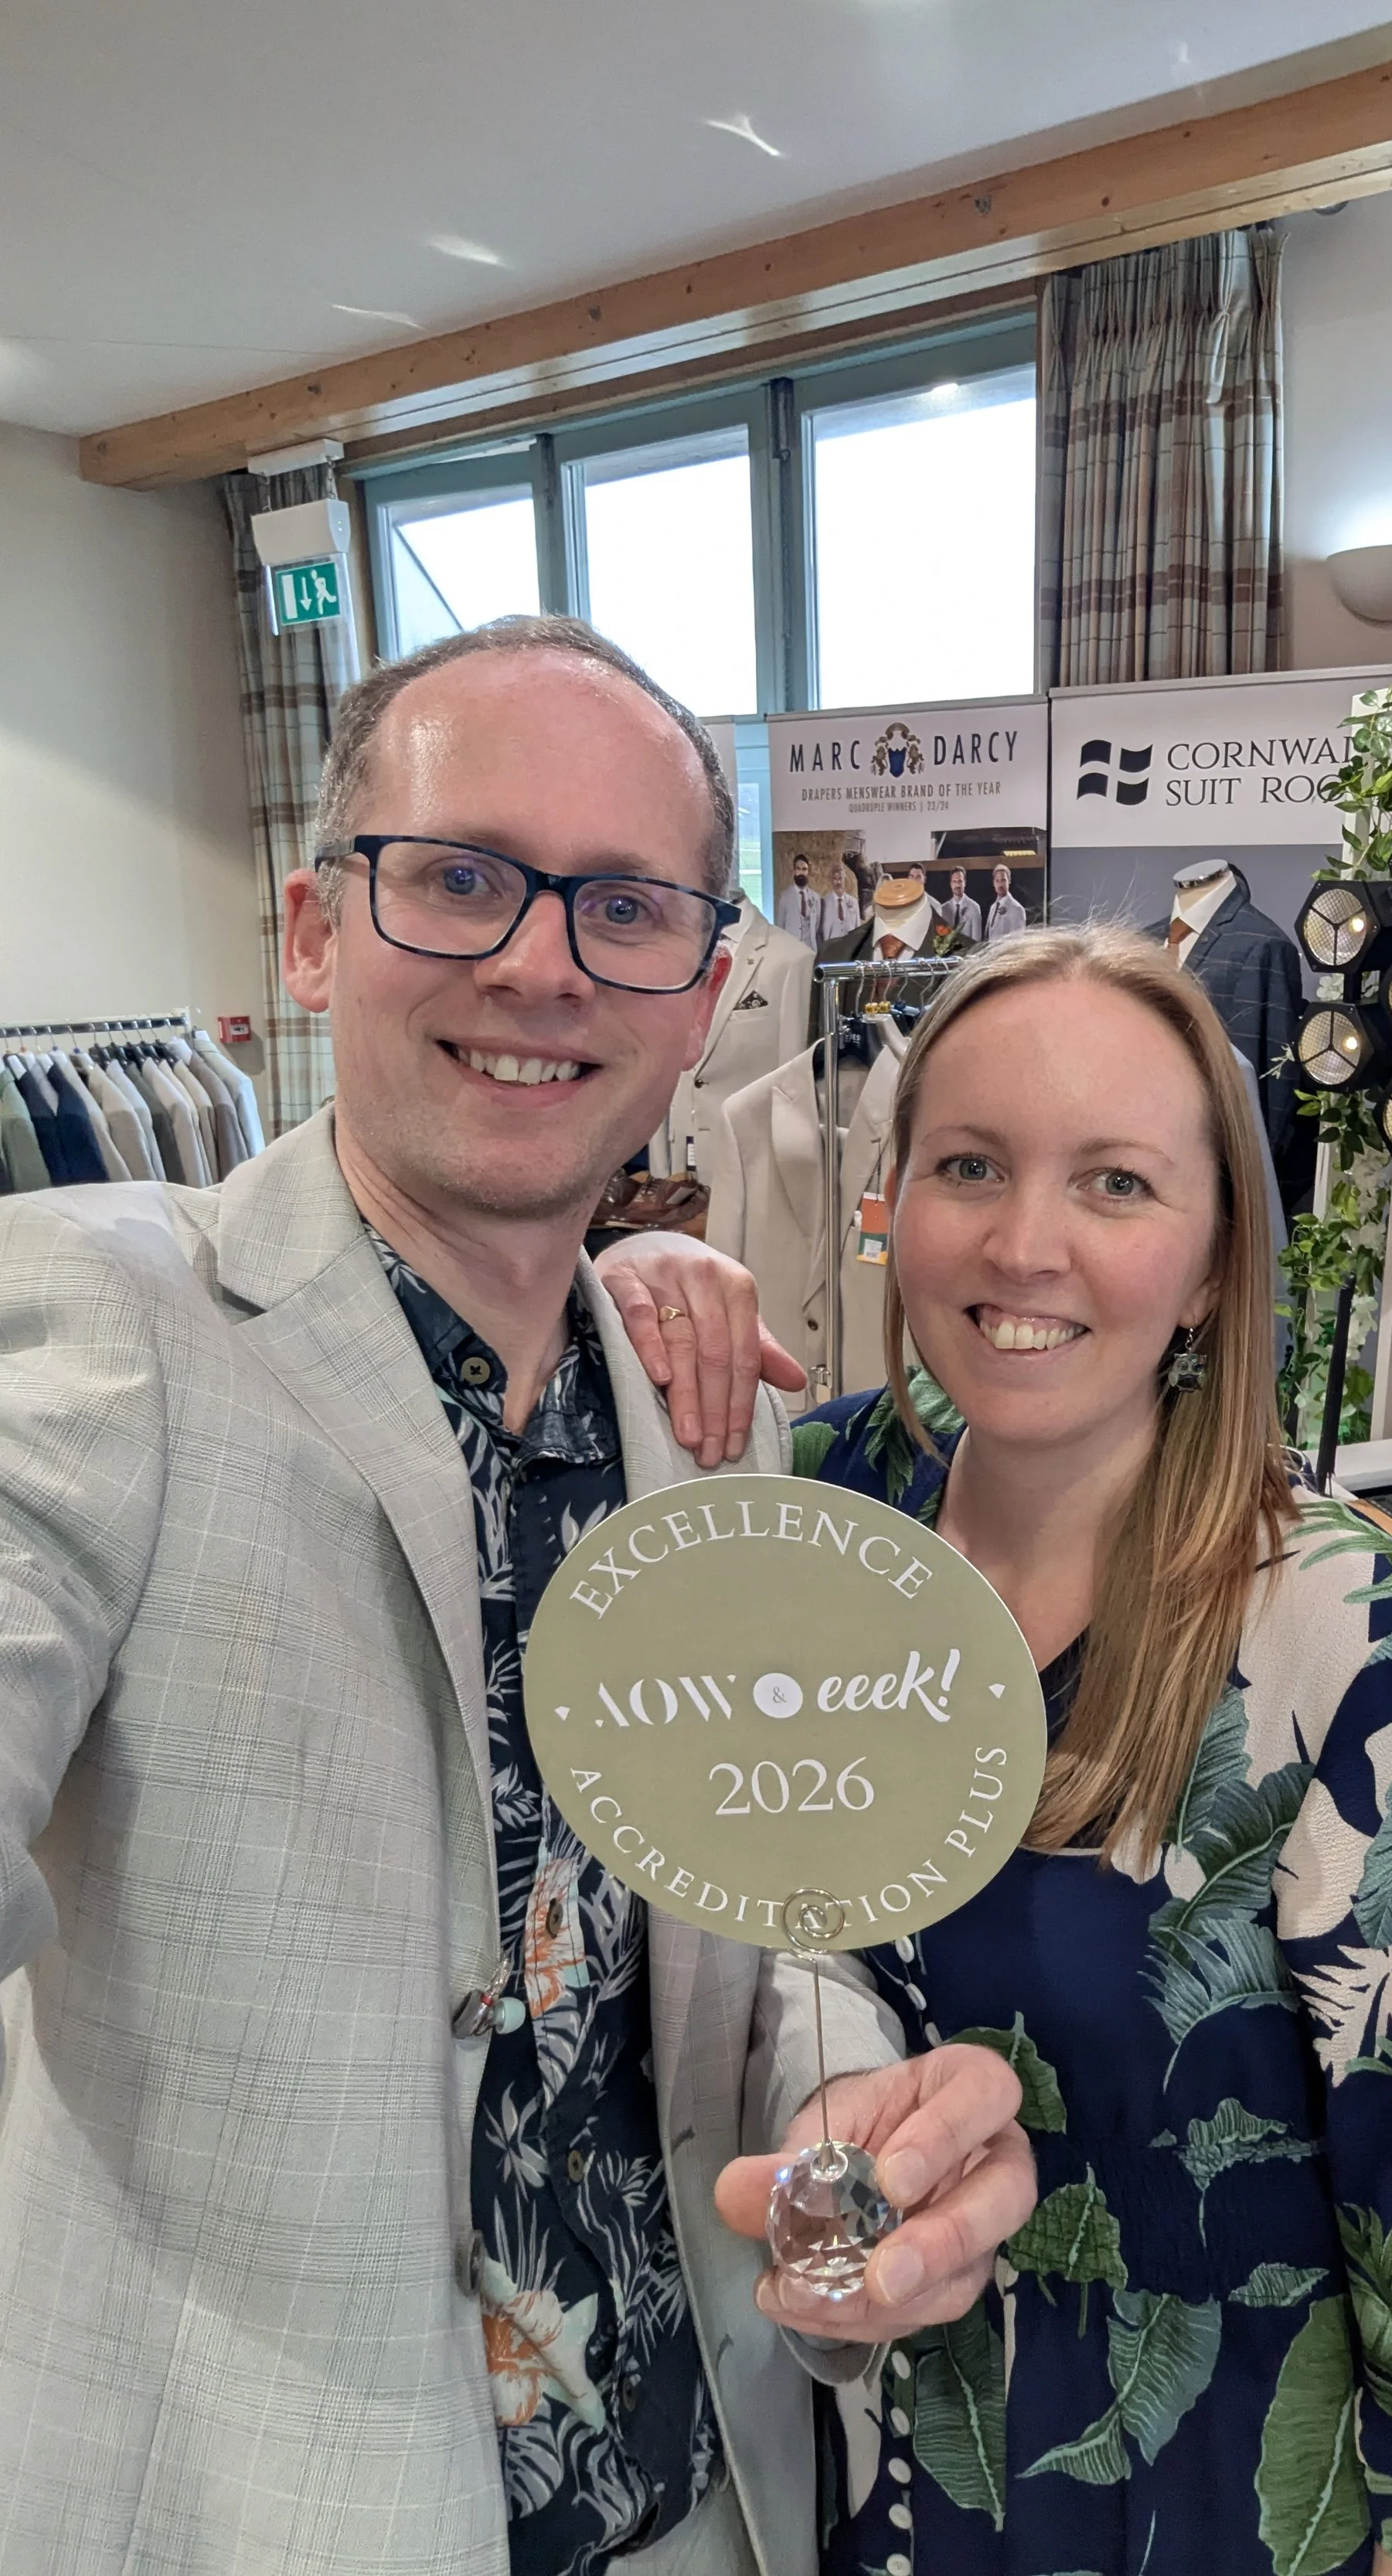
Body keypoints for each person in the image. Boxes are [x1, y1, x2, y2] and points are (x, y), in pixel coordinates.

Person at [0, 616, 1031, 2576]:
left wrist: (857, 2163)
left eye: (624, 905)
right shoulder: (104, 1321)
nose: (542, 960)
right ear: (315, 934)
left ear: (703, 989)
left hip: (698, 2490)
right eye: (462, 877)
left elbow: (761, 1909)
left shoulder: (701, 1426)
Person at [598, 926, 1392, 2576]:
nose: (1025, 1241)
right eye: (970, 1163)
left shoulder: (1352, 1658)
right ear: (890, 1200)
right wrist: (616, 1292)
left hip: (1182, 2512)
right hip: (828, 2470)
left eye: (1113, 1183)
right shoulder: (820, 1516)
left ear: (1208, 1258)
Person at [774, 852, 822, 951]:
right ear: (794, 871)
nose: (801, 872)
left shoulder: (815, 897)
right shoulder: (785, 897)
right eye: (798, 869)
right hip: (791, 949)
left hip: (810, 949)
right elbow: (780, 926)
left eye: (804, 869)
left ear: (808, 872)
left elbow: (816, 923)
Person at [935, 866, 982, 943]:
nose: (957, 885)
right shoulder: (943, 909)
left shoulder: (974, 908)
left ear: (965, 883)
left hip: (967, 953)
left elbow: (976, 942)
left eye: (960, 881)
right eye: (954, 881)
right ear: (951, 884)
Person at [983, 860, 1028, 941]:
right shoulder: (993, 907)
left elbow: (1017, 942)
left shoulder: (1016, 908)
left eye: (1003, 880)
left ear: (1009, 881)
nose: (1000, 884)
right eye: (997, 881)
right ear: (994, 883)